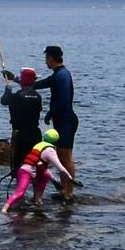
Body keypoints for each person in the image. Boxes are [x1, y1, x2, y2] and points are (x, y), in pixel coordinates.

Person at [33, 45, 78, 201]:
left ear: (51, 58)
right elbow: (40, 84)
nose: (45, 61)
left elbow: (64, 99)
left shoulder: (63, 76)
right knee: (60, 156)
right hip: (61, 121)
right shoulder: (57, 75)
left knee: (66, 157)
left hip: (66, 121)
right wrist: (18, 80)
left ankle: (69, 192)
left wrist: (50, 112)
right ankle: (64, 189)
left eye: (46, 58)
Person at [2, 128, 72, 213]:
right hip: (27, 172)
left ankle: (38, 201)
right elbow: (60, 167)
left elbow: (43, 168)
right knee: (20, 193)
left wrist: (54, 180)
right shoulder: (50, 150)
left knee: (45, 175)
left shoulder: (39, 145)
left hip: (24, 169)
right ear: (56, 141)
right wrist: (69, 177)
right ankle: (5, 208)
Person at [0, 66, 43, 171]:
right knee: (35, 165)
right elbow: (27, 87)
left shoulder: (17, 97)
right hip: (35, 134)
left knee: (18, 167)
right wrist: (14, 78)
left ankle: (20, 184)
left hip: (20, 135)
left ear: (22, 81)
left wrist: (7, 90)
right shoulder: (38, 96)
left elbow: (4, 101)